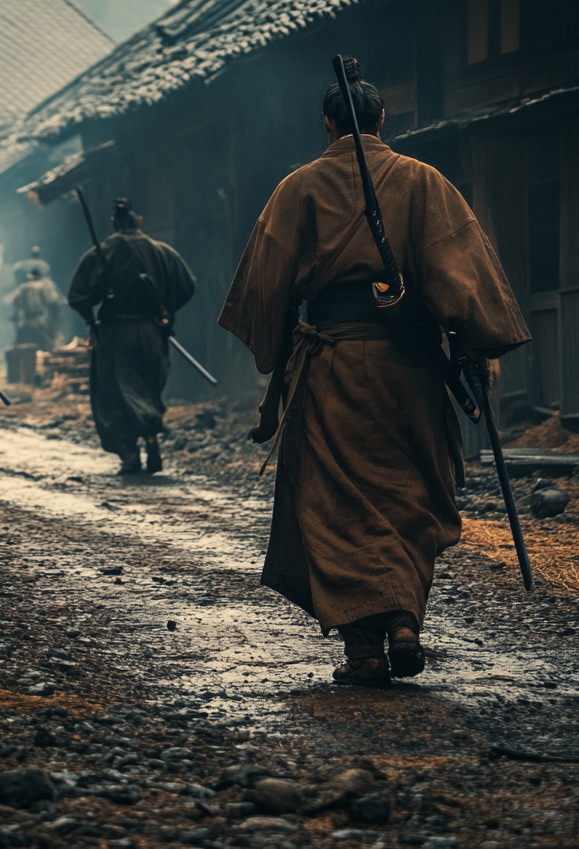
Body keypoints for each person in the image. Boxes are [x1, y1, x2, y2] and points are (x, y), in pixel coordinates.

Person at [218, 57, 530, 686]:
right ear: (383, 120)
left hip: (331, 365)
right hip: (410, 370)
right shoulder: (424, 182)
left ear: (327, 123)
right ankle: (405, 623)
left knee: (335, 506)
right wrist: (473, 350)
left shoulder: (298, 187)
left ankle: (363, 652)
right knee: (407, 496)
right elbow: (460, 277)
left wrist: (274, 369)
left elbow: (266, 286)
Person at [68, 197, 196, 475]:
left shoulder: (99, 254)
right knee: (148, 387)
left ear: (113, 223)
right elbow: (187, 285)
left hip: (116, 334)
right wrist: (166, 312)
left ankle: (130, 453)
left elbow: (78, 296)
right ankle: (149, 435)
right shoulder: (163, 252)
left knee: (118, 393)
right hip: (153, 333)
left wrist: (91, 317)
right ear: (139, 222)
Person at [9, 267, 66, 351]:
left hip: (26, 321)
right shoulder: (42, 285)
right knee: (49, 344)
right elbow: (51, 300)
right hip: (41, 320)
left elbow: (16, 302)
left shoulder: (23, 287)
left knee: (21, 346)